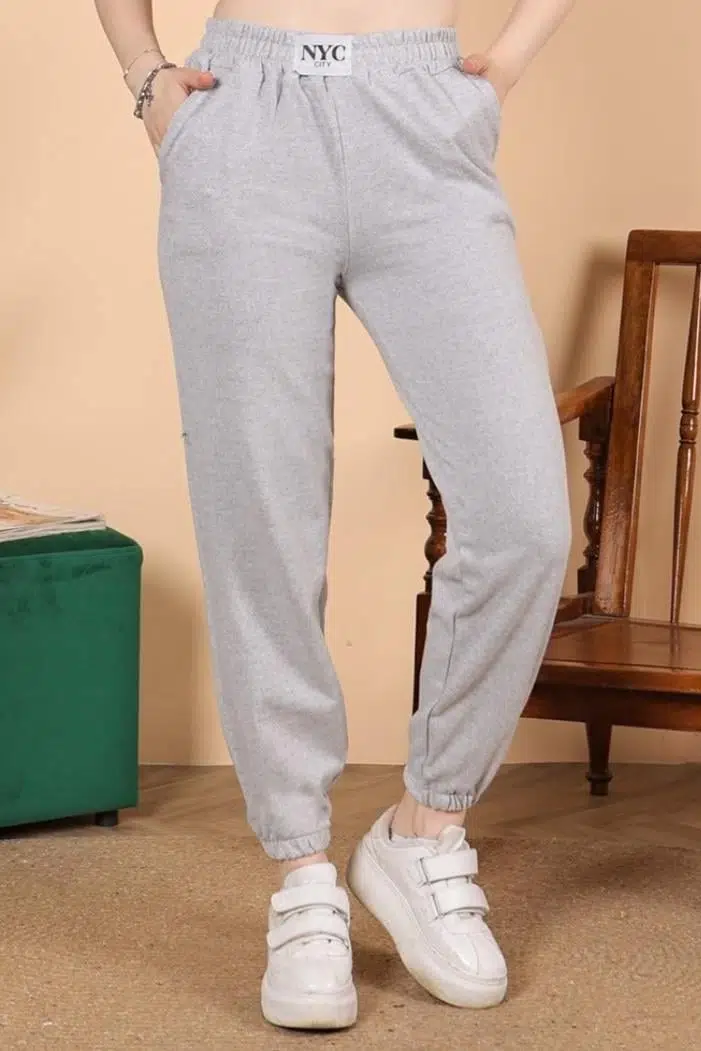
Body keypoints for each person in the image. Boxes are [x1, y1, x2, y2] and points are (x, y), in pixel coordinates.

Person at [95, 0, 576, 1031]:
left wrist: (505, 66)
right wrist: (146, 77)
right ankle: (302, 873)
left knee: (525, 519)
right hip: (244, 121)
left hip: (423, 115)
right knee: (261, 519)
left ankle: (423, 830)